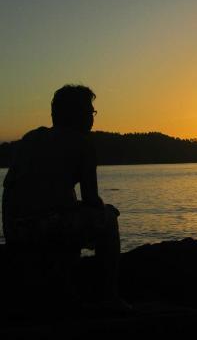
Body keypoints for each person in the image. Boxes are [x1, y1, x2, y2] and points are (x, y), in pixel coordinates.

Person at [2, 84, 131, 311]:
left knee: (70, 213)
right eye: (91, 112)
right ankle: (109, 297)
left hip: (14, 232)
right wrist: (104, 209)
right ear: (78, 115)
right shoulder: (82, 145)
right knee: (108, 219)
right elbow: (91, 200)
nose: (93, 119)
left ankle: (63, 288)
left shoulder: (30, 139)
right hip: (45, 229)